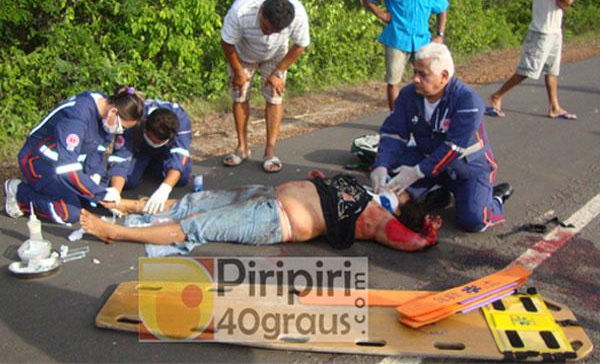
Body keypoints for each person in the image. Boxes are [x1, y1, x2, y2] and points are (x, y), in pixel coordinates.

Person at [80, 170, 441, 256]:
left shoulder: (379, 217)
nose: (397, 186)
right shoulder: (362, 188)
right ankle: (131, 206)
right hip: (269, 194)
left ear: (401, 206)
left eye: (402, 192)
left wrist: (426, 231)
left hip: (274, 218)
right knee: (197, 202)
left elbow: (408, 239)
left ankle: (118, 232)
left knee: (196, 225)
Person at [369, 43, 513, 233]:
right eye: (415, 72)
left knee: (473, 220)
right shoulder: (408, 95)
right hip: (426, 160)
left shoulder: (468, 101)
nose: (415, 79)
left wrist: (418, 172)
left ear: (444, 76)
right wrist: (382, 165)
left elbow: (454, 147)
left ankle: (494, 199)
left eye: (423, 74)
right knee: (391, 200)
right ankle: (438, 190)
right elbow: (394, 132)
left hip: (466, 168)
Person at [3, 86, 145, 223]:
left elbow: (98, 151)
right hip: (39, 160)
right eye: (122, 127)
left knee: (94, 201)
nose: (120, 132)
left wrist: (95, 176)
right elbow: (66, 167)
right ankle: (19, 193)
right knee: (68, 212)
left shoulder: (105, 114)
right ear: (113, 112)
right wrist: (98, 193)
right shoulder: (77, 116)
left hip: (66, 161)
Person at [220, 0, 310, 173]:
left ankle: (270, 151)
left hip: (276, 54)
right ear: (261, 11)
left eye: (275, 31)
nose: (268, 34)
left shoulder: (298, 14)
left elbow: (301, 45)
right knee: (240, 94)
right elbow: (226, 42)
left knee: (274, 96)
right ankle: (242, 147)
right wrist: (238, 72)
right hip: (243, 52)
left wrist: (278, 73)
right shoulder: (241, 12)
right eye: (266, 28)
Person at [487, 0, 576, 120]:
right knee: (527, 70)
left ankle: (554, 107)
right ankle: (496, 96)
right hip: (542, 30)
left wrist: (565, 0)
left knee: (552, 70)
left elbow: (565, 2)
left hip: (554, 29)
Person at [360, 0, 449, 110]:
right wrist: (380, 13)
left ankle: (429, 116)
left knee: (431, 78)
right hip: (397, 37)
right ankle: (396, 120)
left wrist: (440, 34)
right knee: (394, 81)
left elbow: (442, 7)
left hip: (423, 39)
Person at [108, 99, 193, 214]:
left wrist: (164, 189)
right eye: (152, 140)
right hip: (140, 149)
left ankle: (151, 167)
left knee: (182, 177)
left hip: (166, 152)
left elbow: (179, 155)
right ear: (145, 125)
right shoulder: (133, 117)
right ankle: (144, 166)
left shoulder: (181, 120)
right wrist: (115, 193)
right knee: (128, 181)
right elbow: (120, 157)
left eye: (159, 142)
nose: (155, 143)